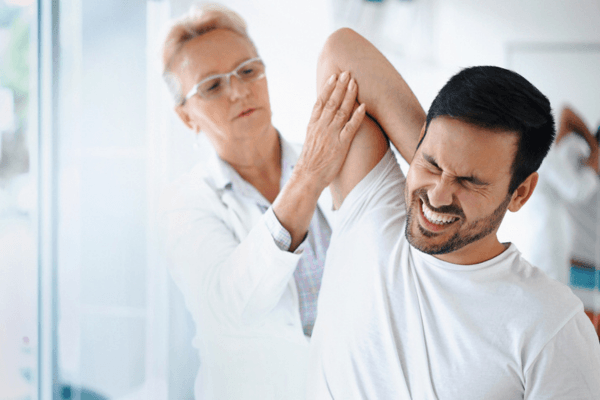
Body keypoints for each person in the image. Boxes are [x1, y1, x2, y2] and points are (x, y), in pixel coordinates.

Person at [306, 28, 600, 399]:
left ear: (520, 192)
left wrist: (439, 159)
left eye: (469, 181)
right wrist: (445, 155)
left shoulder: (550, 323)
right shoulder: (372, 213)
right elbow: (341, 51)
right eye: (431, 162)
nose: (438, 195)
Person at [158, 4, 365, 400]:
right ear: (186, 117)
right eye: (212, 86)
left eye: (248, 70)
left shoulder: (329, 157)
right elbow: (231, 308)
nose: (239, 91)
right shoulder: (184, 204)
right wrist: (308, 179)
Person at [499, 105, 599, 285]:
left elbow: (565, 112)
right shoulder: (545, 155)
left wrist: (593, 150)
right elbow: (576, 191)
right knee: (550, 288)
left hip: (536, 236)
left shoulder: (521, 153)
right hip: (549, 239)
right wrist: (593, 166)